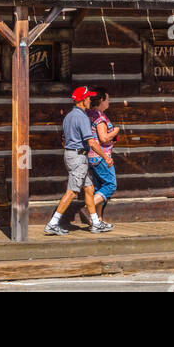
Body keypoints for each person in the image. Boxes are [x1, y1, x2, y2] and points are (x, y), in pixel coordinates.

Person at [45, 86, 113, 235]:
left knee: (89, 189)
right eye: (88, 97)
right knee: (72, 191)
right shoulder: (81, 117)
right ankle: (53, 223)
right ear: (82, 100)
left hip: (72, 155)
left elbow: (64, 138)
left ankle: (95, 223)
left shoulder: (69, 116)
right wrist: (105, 157)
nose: (90, 100)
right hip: (78, 157)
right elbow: (92, 142)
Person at [85, 90, 120, 230]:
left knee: (99, 188)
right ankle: (89, 207)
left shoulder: (88, 114)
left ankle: (97, 221)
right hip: (101, 156)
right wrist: (116, 131)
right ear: (101, 100)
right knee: (111, 185)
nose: (109, 102)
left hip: (91, 157)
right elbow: (104, 138)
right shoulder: (99, 116)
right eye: (107, 99)